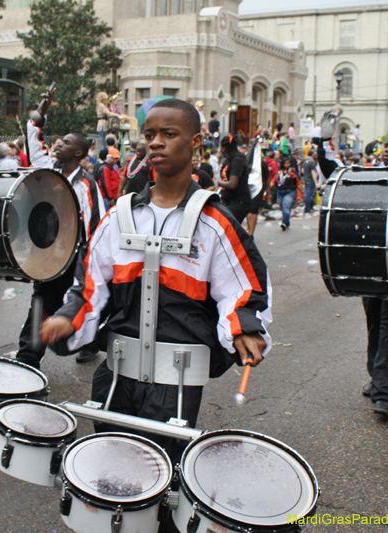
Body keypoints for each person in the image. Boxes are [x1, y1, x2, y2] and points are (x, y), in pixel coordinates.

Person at [39, 98, 271, 491]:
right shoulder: (119, 216)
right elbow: (90, 284)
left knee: (157, 484)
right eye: (150, 135)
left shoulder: (214, 222)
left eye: (169, 134)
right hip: (115, 375)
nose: (156, 143)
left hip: (175, 383)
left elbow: (244, 286)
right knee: (110, 480)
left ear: (195, 141)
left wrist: (243, 327)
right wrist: (68, 319)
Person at [318, 125, 388, 416]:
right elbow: (331, 171)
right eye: (386, 145)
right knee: (376, 322)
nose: (387, 150)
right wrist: (321, 140)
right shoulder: (372, 179)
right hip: (375, 262)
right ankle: (378, 376)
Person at [20, 88, 105, 367]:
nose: (59, 144)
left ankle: (89, 342)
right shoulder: (47, 168)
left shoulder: (87, 185)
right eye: (59, 141)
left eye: (66, 143)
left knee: (76, 300)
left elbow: (96, 227)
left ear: (78, 152)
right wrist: (42, 109)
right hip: (49, 252)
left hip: (75, 257)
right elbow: (32, 135)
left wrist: (87, 262)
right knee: (41, 301)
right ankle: (28, 357)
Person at [216, 134, 250, 224]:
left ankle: (246, 237)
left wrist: (219, 182)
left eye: (221, 148)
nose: (220, 151)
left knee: (228, 226)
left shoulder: (237, 161)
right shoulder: (227, 161)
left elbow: (232, 184)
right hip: (228, 200)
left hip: (239, 201)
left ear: (225, 148)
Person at [274, 157, 300, 231]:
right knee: (283, 207)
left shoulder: (293, 172)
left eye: (288, 163)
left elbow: (298, 183)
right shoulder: (279, 173)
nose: (287, 164)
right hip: (280, 192)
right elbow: (273, 182)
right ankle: (287, 222)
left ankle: (284, 223)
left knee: (286, 206)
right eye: (285, 163)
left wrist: (302, 193)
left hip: (290, 192)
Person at [301, 151, 319, 218]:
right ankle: (308, 209)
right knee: (310, 195)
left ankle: (307, 208)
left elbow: (302, 171)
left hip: (306, 180)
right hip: (311, 180)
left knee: (307, 194)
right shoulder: (312, 162)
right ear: (313, 154)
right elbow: (313, 173)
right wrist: (316, 182)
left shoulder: (305, 161)